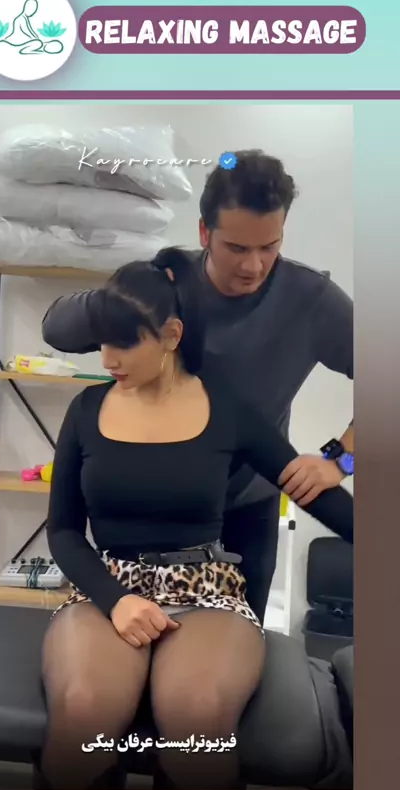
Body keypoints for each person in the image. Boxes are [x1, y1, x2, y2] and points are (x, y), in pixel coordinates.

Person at [40, 246, 353, 790]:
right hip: (107, 587)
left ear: (171, 335)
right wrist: (117, 600)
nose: (108, 359)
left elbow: (315, 494)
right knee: (84, 713)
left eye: (124, 343)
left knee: (197, 721)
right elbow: (63, 531)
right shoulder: (87, 410)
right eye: (102, 342)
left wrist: (342, 465)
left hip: (206, 590)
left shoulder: (226, 410)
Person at [41, 150, 354, 627]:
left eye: (269, 246)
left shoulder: (310, 300)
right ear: (205, 232)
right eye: (237, 248)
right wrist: (130, 292)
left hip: (247, 509)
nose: (254, 266)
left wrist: (341, 460)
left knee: (234, 658)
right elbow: (56, 329)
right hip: (153, 509)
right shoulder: (170, 286)